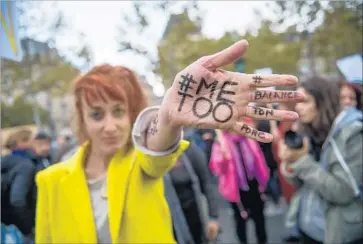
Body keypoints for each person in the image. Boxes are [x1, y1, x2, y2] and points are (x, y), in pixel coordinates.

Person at [35, 40, 304, 243]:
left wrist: (168, 118)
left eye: (118, 111)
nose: (109, 126)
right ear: (81, 118)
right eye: (96, 114)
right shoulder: (50, 181)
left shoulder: (141, 164)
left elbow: (156, 153)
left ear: (131, 113)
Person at [279, 77, 363, 244]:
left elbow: (343, 192)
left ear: (323, 102)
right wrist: (288, 162)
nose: (298, 107)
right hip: (307, 227)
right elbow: (299, 183)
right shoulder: (309, 130)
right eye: (297, 102)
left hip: (337, 233)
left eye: (305, 102)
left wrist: (302, 161)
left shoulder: (352, 134)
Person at [210, 128, 270, 244]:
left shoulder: (248, 139)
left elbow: (259, 160)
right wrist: (222, 155)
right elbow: (217, 169)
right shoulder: (221, 143)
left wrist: (263, 181)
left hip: (254, 185)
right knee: (240, 221)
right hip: (235, 188)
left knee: (259, 219)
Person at [168, 142, 220, 244]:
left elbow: (206, 184)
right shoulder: (150, 156)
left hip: (196, 215)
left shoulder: (188, 149)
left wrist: (213, 217)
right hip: (169, 221)